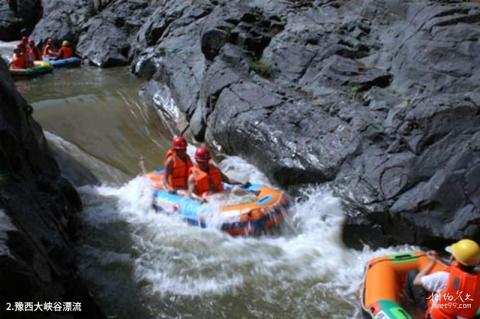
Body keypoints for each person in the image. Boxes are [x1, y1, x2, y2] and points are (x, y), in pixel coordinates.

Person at [411, 239, 480, 319]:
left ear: (452, 258)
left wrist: (432, 262)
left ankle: (413, 309)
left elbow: (416, 281)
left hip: (439, 316)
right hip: (463, 315)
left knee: (412, 273)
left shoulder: (442, 277)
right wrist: (438, 259)